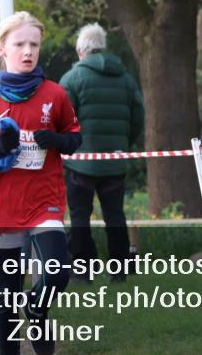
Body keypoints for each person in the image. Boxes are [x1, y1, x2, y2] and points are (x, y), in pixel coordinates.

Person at [0, 11, 81, 355]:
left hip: (45, 199)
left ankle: (37, 307)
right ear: (2, 49)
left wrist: (58, 140)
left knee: (57, 271)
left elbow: (75, 137)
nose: (28, 51)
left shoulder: (55, 94)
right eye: (20, 44)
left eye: (34, 44)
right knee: (5, 294)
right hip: (3, 206)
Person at [59, 23, 143, 283]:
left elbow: (62, 119)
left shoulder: (73, 79)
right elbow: (138, 116)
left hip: (80, 162)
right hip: (115, 161)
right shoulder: (126, 78)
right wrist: (124, 144)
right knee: (115, 215)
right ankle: (119, 271)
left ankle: (82, 270)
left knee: (79, 216)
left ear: (81, 51)